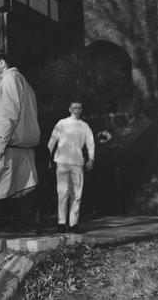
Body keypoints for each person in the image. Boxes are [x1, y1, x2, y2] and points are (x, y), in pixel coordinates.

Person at [0, 50, 40, 236]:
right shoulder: (22, 81)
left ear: (2, 63)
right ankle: (20, 228)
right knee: (20, 188)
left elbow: (7, 113)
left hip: (7, 146)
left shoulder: (10, 79)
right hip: (20, 146)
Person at [47, 100, 95, 233]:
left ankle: (74, 224)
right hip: (62, 161)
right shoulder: (62, 123)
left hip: (77, 162)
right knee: (62, 193)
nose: (77, 110)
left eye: (79, 108)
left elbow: (90, 143)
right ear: (70, 109)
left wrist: (91, 159)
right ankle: (61, 223)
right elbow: (52, 142)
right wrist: (48, 159)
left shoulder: (84, 126)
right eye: (74, 108)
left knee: (77, 194)